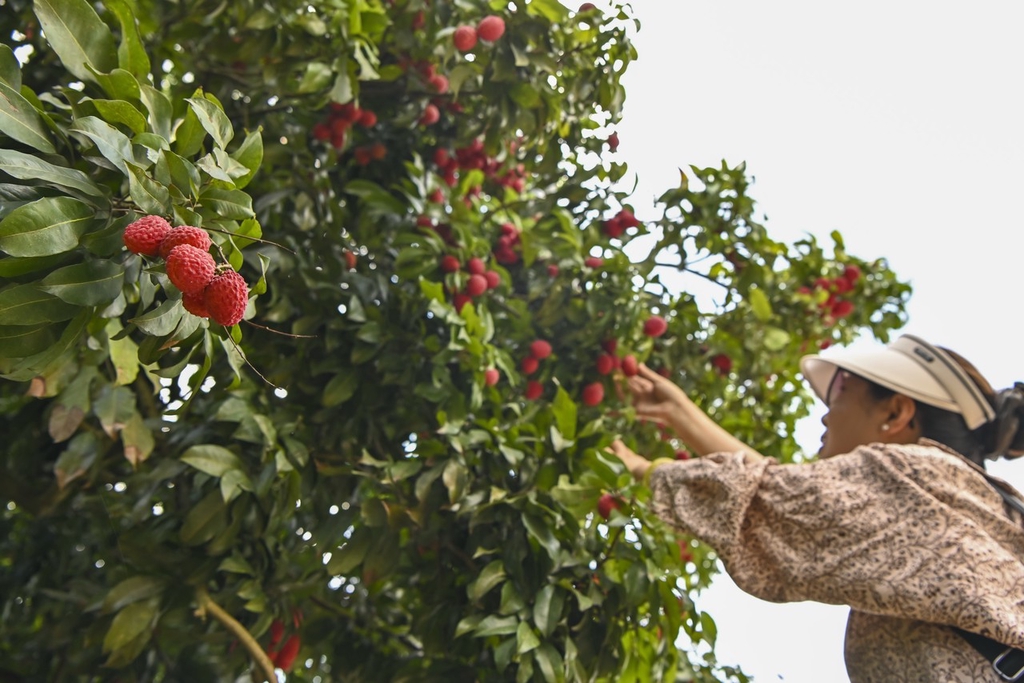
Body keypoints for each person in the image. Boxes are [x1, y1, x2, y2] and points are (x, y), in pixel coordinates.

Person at [609, 334, 1024, 682]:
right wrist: (677, 412)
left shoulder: (909, 474)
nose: (826, 415)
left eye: (841, 389)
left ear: (896, 412)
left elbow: (773, 502)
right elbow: (788, 495)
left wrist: (641, 469)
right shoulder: (978, 500)